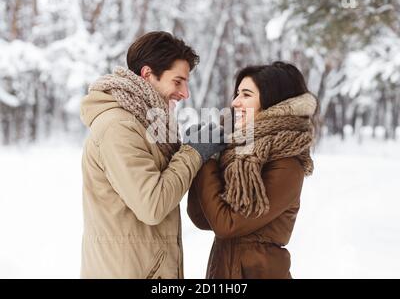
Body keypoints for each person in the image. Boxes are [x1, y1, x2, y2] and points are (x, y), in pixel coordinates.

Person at [80, 31, 225, 278]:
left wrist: (193, 152)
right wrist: (192, 153)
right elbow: (152, 205)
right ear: (148, 75)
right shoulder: (119, 128)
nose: (185, 93)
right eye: (178, 82)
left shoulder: (147, 124)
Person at [187, 61, 318, 279]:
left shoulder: (286, 165)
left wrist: (208, 158)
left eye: (246, 95)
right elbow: (201, 217)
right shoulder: (235, 154)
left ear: (272, 103)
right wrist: (202, 156)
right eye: (237, 94)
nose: (235, 102)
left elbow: (227, 224)